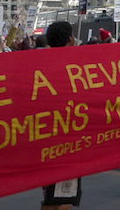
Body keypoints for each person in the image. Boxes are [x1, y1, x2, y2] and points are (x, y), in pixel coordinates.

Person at [40, 22, 81, 210]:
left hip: (47, 142)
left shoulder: (41, 65)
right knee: (60, 199)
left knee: (53, 195)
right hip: (66, 145)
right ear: (71, 39)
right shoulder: (73, 67)